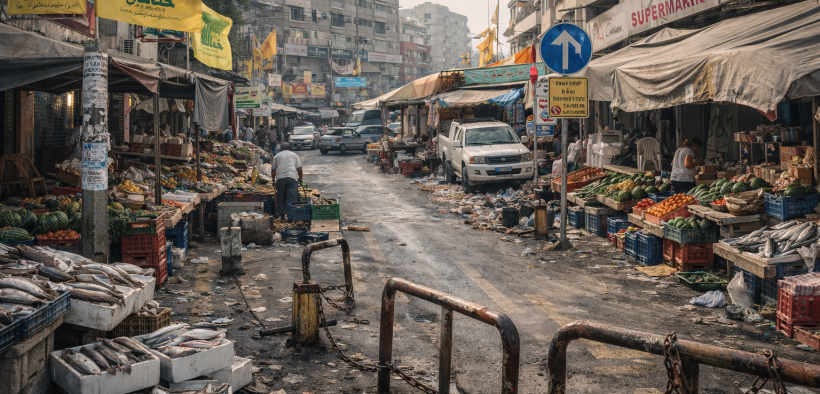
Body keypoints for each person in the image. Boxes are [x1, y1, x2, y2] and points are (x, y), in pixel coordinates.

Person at [272, 142, 303, 221]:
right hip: (292, 178)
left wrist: (273, 180)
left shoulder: (277, 156)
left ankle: (282, 217)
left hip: (280, 178)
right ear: (289, 148)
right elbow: (299, 168)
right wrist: (300, 178)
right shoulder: (294, 155)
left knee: (281, 198)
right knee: (292, 198)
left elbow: (273, 170)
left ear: (281, 149)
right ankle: (291, 217)